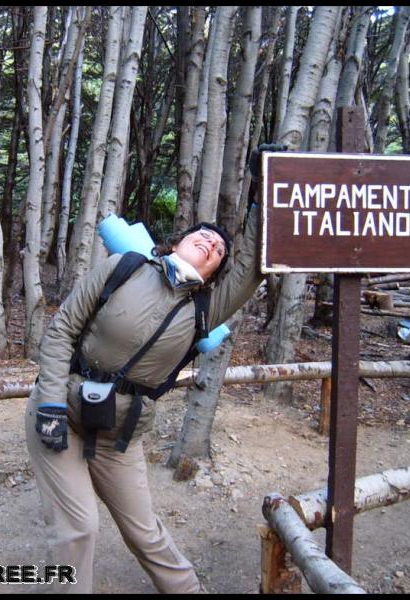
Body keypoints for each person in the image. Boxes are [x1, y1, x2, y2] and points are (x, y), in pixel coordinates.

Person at [25, 179, 266, 593]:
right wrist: (49, 405)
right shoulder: (123, 268)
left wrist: (262, 198)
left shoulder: (205, 310)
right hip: (60, 414)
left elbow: (253, 267)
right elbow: (61, 330)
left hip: (119, 433)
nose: (210, 244)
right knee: (79, 528)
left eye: (219, 250)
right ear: (177, 243)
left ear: (214, 274)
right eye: (201, 236)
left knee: (145, 532)